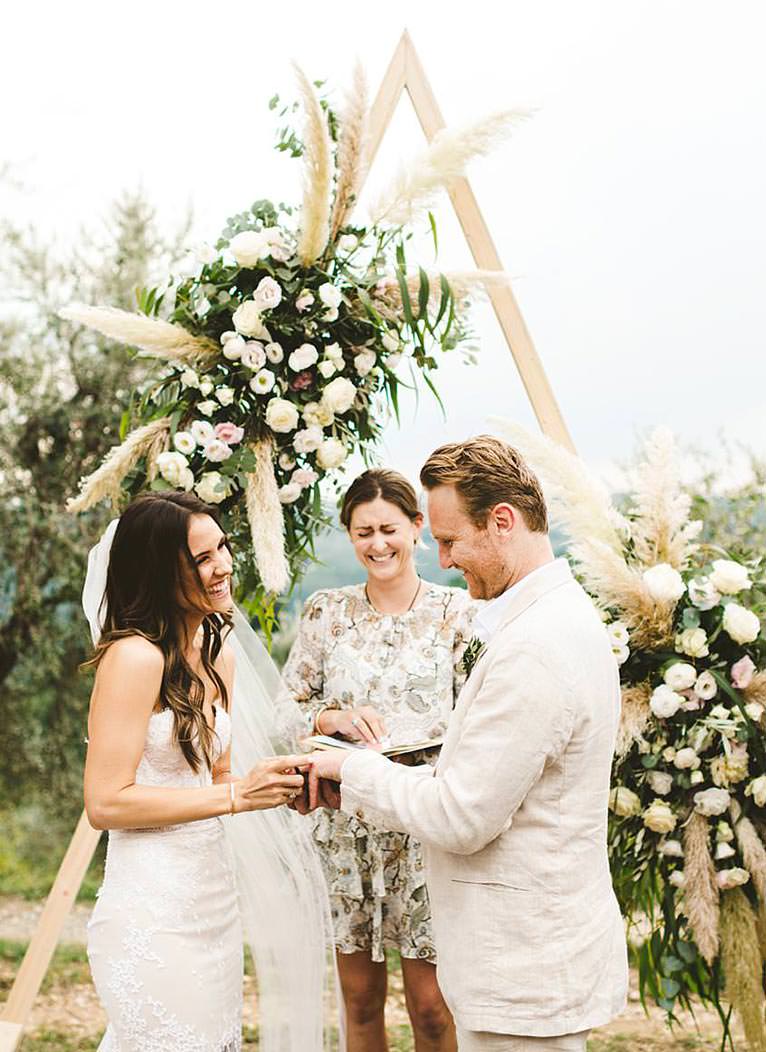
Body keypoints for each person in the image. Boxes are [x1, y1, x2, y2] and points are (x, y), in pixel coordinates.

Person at [304, 437, 629, 1052]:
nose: (445, 559)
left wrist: (353, 772)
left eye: (450, 540)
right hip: (530, 960)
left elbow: (461, 815)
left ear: (501, 522)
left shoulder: (536, 646)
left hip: (524, 971)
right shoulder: (556, 618)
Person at [82, 491, 310, 1052]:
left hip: (212, 897)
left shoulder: (217, 653)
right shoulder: (134, 657)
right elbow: (106, 803)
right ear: (162, 569)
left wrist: (273, 782)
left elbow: (216, 778)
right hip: (152, 904)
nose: (224, 566)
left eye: (223, 548)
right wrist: (234, 801)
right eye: (203, 557)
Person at [280, 468, 475, 1052]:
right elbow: (282, 709)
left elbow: (480, 718)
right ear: (349, 534)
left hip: (424, 825)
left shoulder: (459, 614)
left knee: (432, 1008)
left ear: (418, 528)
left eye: (389, 528)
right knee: (359, 1003)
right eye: (362, 531)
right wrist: (326, 719)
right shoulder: (324, 612)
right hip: (344, 829)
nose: (377, 544)